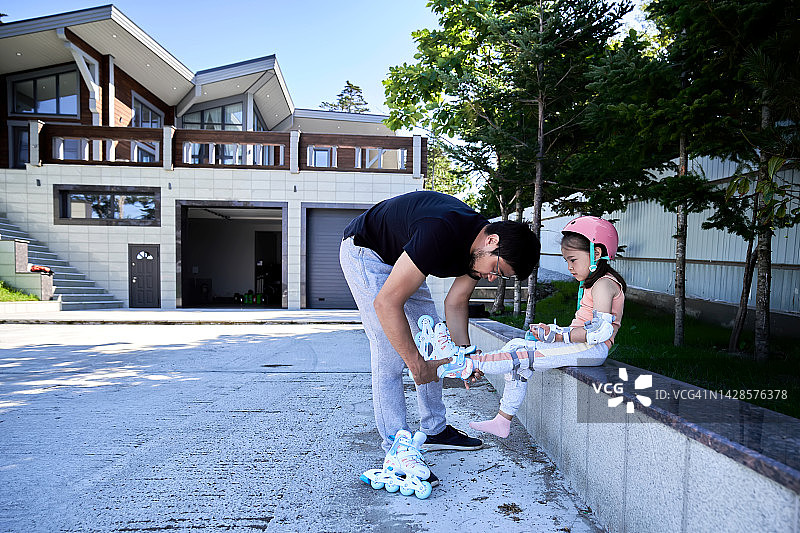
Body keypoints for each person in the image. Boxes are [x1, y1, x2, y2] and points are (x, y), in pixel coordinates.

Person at [339, 190, 540, 485]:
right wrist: (415, 363)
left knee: (435, 339)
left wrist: (463, 357)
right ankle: (396, 446)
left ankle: (434, 429)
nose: (494, 278)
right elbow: (386, 303)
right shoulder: (440, 230)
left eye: (502, 277)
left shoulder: (478, 251)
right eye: (498, 270)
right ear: (492, 241)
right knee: (390, 353)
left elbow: (456, 303)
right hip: (366, 251)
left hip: (404, 260)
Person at [466, 215, 626, 438]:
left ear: (596, 254)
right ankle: (503, 420)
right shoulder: (594, 282)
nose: (569, 267)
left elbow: (600, 332)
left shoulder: (604, 284)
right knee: (515, 346)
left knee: (523, 356)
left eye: (573, 260)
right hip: (582, 345)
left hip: (591, 350)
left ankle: (471, 364)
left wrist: (558, 335)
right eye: (566, 261)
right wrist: (552, 333)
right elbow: (585, 327)